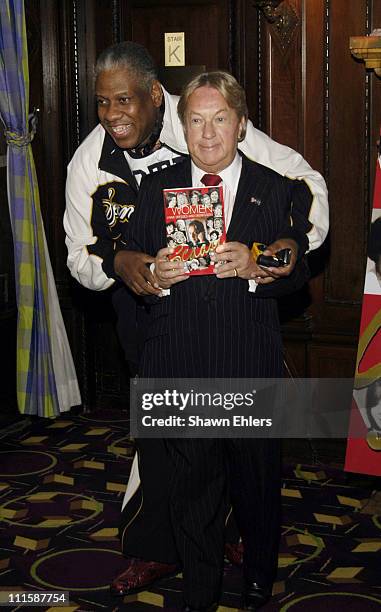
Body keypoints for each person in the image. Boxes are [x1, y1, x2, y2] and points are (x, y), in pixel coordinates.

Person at [63, 41, 329, 597]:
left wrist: (266, 259)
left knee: (248, 466)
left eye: (125, 101)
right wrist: (134, 267)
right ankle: (178, 564)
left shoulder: (240, 150)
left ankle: (246, 557)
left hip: (241, 340)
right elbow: (92, 257)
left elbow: (301, 222)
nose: (114, 115)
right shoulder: (107, 170)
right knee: (179, 463)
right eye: (103, 103)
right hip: (159, 331)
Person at [122, 70, 314, 611]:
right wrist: (151, 273)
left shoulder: (272, 188)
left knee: (256, 486)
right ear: (183, 128)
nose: (208, 134)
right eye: (197, 121)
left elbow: (294, 260)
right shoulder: (156, 188)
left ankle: (258, 577)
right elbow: (127, 259)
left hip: (247, 365)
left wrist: (259, 263)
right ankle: (200, 594)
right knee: (192, 494)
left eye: (220, 119)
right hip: (180, 363)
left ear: (242, 124)